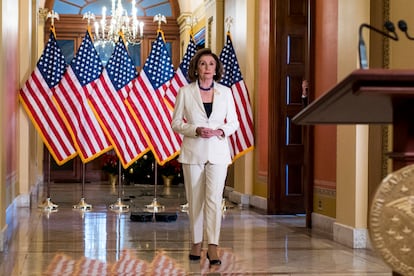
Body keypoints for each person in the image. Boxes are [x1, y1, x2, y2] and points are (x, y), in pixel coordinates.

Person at [171, 48, 239, 265]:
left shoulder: (226, 92)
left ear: (216, 68)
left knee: (214, 200)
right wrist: (195, 130)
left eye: (211, 64)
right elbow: (176, 123)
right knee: (195, 201)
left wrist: (220, 131)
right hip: (193, 152)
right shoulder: (185, 92)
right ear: (197, 68)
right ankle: (196, 243)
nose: (207, 68)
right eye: (203, 64)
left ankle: (213, 247)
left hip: (218, 153)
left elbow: (234, 123)